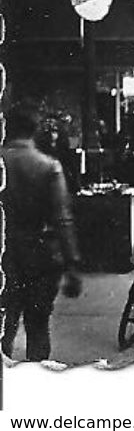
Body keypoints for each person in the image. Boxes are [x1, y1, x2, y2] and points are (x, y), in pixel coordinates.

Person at [2, 107, 83, 361]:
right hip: (40, 255)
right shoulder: (48, 167)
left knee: (5, 322)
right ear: (34, 131)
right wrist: (72, 264)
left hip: (5, 253)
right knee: (38, 325)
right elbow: (62, 219)